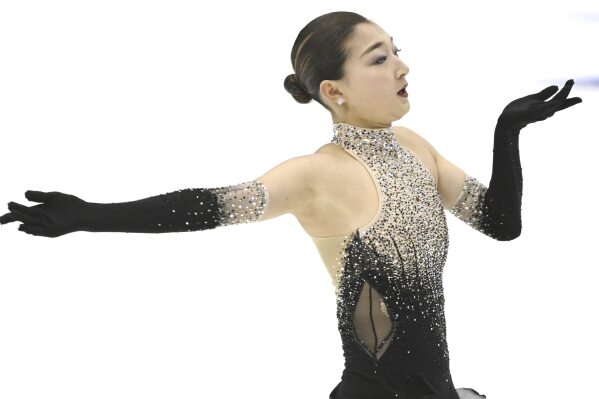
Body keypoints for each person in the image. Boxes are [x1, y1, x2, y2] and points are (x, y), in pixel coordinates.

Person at [0, 10, 582, 399]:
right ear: (335, 91)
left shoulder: (414, 147)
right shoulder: (316, 175)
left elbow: (501, 225)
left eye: (397, 51)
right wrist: (89, 216)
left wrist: (509, 130)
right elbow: (203, 206)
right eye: (379, 59)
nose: (402, 66)